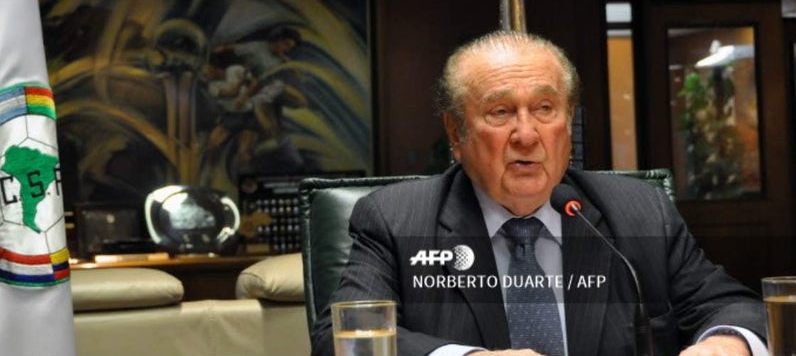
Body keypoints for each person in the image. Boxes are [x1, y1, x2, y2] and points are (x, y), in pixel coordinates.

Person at [310, 30, 766, 356]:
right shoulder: (395, 221)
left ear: (568, 124)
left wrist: (726, 342)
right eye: (500, 112)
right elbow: (341, 336)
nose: (527, 135)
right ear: (456, 132)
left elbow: (732, 306)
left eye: (545, 109)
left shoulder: (639, 211)